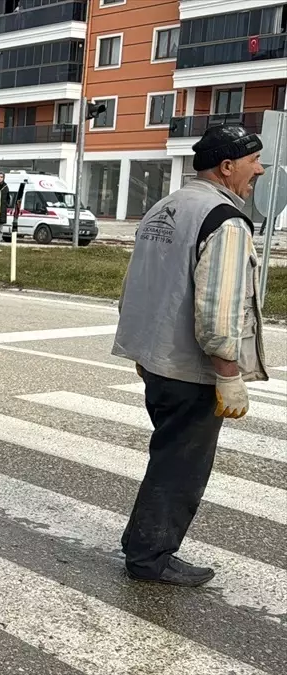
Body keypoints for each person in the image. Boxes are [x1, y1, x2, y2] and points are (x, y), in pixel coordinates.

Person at [112, 124, 269, 587]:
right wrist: (228, 374)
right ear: (226, 167)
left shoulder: (167, 206)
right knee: (182, 465)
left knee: (167, 454)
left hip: (157, 361)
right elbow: (220, 310)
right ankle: (150, 557)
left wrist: (143, 355)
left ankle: (141, 543)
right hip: (192, 369)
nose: (258, 169)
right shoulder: (225, 220)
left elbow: (136, 289)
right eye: (252, 161)